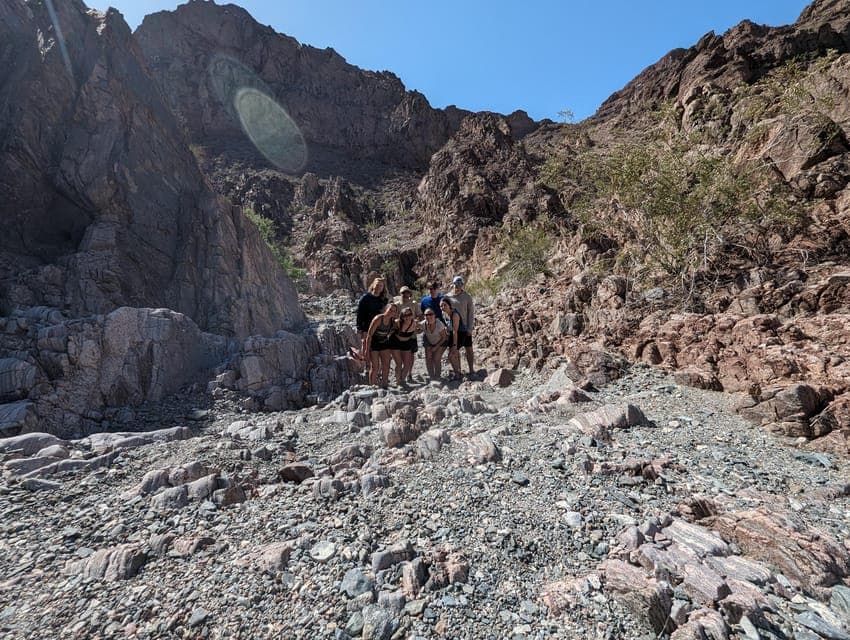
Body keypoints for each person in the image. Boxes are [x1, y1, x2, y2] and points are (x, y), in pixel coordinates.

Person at [363, 303, 397, 388]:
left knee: (386, 365)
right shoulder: (378, 319)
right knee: (375, 367)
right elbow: (369, 335)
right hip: (374, 342)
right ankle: (372, 386)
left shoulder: (392, 322)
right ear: (386, 309)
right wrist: (367, 350)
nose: (391, 312)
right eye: (390, 310)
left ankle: (384, 385)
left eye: (394, 311)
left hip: (384, 342)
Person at [447, 275, 475, 375]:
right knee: (454, 349)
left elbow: (471, 313)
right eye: (455, 284)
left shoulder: (467, 296)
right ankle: (458, 371)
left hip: (465, 327)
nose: (457, 287)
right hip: (453, 328)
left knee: (469, 349)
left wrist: (470, 328)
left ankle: (471, 369)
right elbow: (444, 311)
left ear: (462, 285)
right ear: (452, 284)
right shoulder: (448, 297)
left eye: (459, 284)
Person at [355, 277, 388, 358]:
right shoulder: (365, 298)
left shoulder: (384, 299)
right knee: (366, 346)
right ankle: (367, 366)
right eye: (377, 285)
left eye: (381, 286)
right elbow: (360, 313)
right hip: (367, 327)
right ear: (373, 285)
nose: (378, 287)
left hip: (379, 328)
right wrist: (359, 328)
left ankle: (375, 366)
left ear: (383, 288)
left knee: (377, 349)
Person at [391, 305, 419, 385]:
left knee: (407, 364)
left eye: (409, 314)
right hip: (395, 343)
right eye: (405, 315)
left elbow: (417, 331)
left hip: (406, 343)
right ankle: (398, 381)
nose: (407, 317)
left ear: (412, 315)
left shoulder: (414, 323)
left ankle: (401, 380)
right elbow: (390, 333)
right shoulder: (397, 323)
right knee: (399, 364)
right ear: (401, 316)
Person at [439, 298, 465, 380]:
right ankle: (459, 371)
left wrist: (454, 345)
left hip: (459, 334)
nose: (443, 307)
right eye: (441, 306)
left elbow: (455, 330)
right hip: (451, 334)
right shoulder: (443, 313)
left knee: (451, 355)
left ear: (449, 305)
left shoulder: (455, 314)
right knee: (455, 353)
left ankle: (457, 374)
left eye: (445, 305)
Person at [420, 307, 448, 380]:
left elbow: (444, 337)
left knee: (436, 358)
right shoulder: (423, 324)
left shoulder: (439, 324)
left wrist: (436, 347)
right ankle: (431, 376)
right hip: (429, 341)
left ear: (434, 315)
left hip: (441, 341)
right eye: (426, 315)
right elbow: (417, 330)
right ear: (424, 316)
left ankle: (437, 376)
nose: (429, 316)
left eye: (431, 314)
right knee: (428, 358)